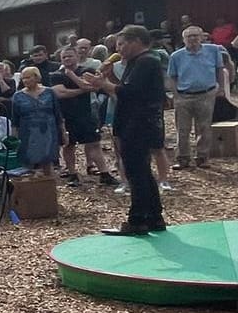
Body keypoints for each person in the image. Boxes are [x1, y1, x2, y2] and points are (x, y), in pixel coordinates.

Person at [88, 25, 166, 235]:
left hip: (139, 124)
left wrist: (103, 84)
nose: (118, 49)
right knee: (142, 171)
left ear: (137, 41)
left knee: (135, 172)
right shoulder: (138, 62)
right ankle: (154, 217)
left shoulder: (146, 61)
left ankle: (137, 219)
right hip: (136, 123)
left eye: (122, 44)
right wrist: (106, 80)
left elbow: (130, 92)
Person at [49, 47, 118, 187]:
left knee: (94, 143)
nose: (67, 59)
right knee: (69, 145)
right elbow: (60, 93)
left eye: (70, 56)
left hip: (86, 113)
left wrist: (72, 77)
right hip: (66, 115)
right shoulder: (56, 75)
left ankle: (104, 173)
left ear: (76, 57)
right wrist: (83, 89)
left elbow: (94, 87)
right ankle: (72, 174)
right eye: (64, 57)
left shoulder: (87, 71)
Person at [166, 25, 228, 168]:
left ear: (202, 37)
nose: (192, 38)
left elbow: (219, 70)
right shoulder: (176, 56)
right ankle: (183, 158)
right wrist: (176, 95)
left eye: (195, 35)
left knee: (205, 127)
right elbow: (172, 77)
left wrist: (221, 88)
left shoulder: (213, 51)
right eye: (189, 36)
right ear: (184, 39)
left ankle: (202, 157)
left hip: (206, 94)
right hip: (184, 96)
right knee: (182, 129)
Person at [10, 66, 64, 175]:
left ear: (36, 77)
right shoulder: (18, 96)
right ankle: (31, 188)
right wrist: (14, 138)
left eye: (28, 77)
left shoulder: (49, 92)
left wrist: (63, 132)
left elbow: (58, 114)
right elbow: (15, 120)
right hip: (28, 132)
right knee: (28, 160)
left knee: (47, 160)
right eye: (23, 78)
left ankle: (48, 186)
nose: (25, 80)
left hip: (48, 131)